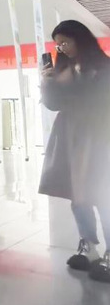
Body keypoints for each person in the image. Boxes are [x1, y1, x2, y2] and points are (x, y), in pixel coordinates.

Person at [39, 20, 110, 283]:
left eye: (65, 42)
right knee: (78, 195)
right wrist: (48, 83)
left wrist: (71, 86)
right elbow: (53, 104)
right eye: (58, 44)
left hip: (100, 137)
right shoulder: (63, 70)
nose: (62, 48)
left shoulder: (103, 67)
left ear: (80, 38)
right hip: (71, 138)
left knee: (103, 195)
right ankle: (88, 246)